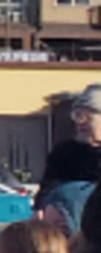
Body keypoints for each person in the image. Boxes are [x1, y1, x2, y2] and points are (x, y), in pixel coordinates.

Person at [36, 92, 101, 230]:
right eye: (77, 115)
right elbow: (48, 187)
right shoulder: (64, 152)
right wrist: (40, 209)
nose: (80, 122)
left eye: (88, 117)